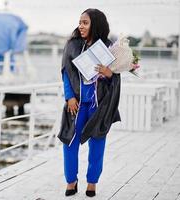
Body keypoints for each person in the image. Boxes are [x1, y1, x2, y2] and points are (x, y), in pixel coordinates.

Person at [57, 8, 121, 197]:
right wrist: (69, 97)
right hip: (76, 104)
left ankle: (92, 182)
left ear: (96, 24)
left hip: (99, 105)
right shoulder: (72, 45)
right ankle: (71, 180)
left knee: (98, 143)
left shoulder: (108, 47)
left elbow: (115, 78)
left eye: (85, 22)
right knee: (69, 142)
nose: (81, 26)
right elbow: (65, 73)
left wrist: (109, 74)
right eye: (80, 22)